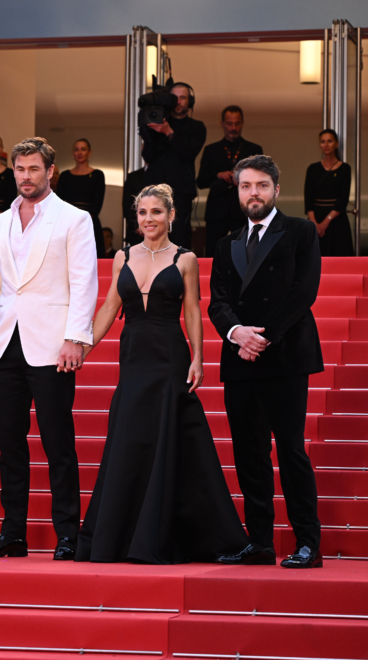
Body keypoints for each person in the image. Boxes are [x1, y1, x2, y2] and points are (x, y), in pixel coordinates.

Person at [75, 184, 248, 563]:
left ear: (171, 216)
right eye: (142, 213)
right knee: (130, 438)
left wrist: (198, 358)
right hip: (133, 355)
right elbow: (108, 308)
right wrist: (83, 346)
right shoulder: (122, 256)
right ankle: (122, 535)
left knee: (169, 437)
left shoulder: (185, 259)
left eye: (156, 212)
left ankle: (176, 533)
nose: (148, 219)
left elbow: (191, 311)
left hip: (169, 355)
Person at [0, 137, 98, 560]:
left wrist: (76, 337)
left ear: (50, 172)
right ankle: (13, 533)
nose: (25, 176)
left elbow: (84, 281)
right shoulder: (1, 220)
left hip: (52, 344)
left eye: (33, 169)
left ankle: (68, 533)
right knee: (9, 444)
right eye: (19, 169)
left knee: (57, 443)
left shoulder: (74, 218)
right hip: (5, 342)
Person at [210, 154, 324, 569]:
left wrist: (262, 337)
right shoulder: (226, 243)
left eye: (260, 185)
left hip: (286, 356)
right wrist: (236, 332)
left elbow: (303, 292)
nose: (253, 193)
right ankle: (258, 541)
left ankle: (308, 543)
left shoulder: (300, 231)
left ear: (275, 189)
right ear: (237, 191)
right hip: (240, 360)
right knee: (249, 453)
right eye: (245, 186)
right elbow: (218, 301)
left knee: (291, 450)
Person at [139, 83, 206, 249]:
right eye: (174, 97)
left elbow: (189, 153)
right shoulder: (157, 121)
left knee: (180, 236)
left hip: (181, 190)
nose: (178, 101)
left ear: (190, 101)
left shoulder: (197, 127)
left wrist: (169, 132)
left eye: (183, 98)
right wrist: (150, 134)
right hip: (154, 189)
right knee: (154, 233)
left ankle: (180, 271)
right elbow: (147, 156)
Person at [197, 106, 263, 257]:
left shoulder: (253, 150)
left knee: (245, 253)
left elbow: (262, 181)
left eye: (237, 123)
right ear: (222, 124)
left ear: (242, 123)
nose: (233, 128)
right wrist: (218, 175)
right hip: (217, 209)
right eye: (229, 123)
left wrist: (243, 180)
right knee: (213, 252)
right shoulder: (211, 150)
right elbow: (200, 181)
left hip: (243, 209)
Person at [304, 129, 354, 257]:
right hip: (316, 218)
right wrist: (314, 223)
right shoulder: (313, 168)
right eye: (322, 142)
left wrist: (325, 223)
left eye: (330, 141)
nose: (326, 145)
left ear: (336, 144)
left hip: (336, 221)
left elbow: (343, 199)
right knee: (314, 260)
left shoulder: (344, 169)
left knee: (340, 260)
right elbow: (308, 198)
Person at [56, 139, 106, 259]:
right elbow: (60, 202)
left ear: (89, 152)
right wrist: (71, 220)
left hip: (90, 223)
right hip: (68, 224)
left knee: (92, 259)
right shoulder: (64, 176)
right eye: (76, 149)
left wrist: (82, 219)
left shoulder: (98, 175)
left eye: (83, 149)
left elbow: (97, 203)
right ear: (73, 153)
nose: (80, 152)